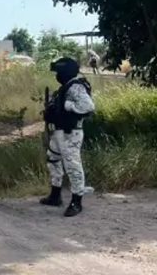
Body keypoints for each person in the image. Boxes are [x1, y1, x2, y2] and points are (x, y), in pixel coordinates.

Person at [41, 57, 95, 217]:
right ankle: (55, 195)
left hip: (70, 133)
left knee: (73, 166)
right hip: (60, 133)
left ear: (65, 72)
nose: (57, 75)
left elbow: (88, 107)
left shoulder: (76, 87)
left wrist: (68, 106)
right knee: (53, 160)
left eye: (58, 72)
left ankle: (76, 202)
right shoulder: (66, 87)